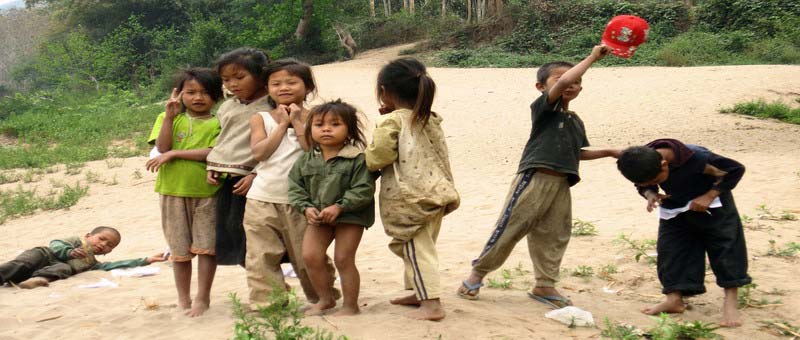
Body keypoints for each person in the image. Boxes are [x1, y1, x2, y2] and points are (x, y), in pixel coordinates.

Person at [457, 45, 616, 309]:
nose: (571, 84)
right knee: (511, 228)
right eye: (563, 80)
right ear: (541, 87)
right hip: (535, 179)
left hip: (562, 183)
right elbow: (564, 80)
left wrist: (611, 151)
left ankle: (544, 285)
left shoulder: (574, 120)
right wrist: (592, 57)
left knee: (554, 235)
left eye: (577, 81)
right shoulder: (545, 109)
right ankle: (477, 275)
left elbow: (576, 153)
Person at [616, 139, 750, 327]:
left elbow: (735, 170)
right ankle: (674, 299)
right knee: (671, 250)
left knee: (725, 248)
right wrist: (650, 193)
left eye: (655, 181)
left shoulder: (699, 158)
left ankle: (730, 302)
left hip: (714, 206)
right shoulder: (641, 161)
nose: (654, 183)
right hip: (675, 207)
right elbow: (643, 183)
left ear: (664, 164)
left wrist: (709, 195)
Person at [365, 57, 460, 321]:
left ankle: (432, 304)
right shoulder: (430, 118)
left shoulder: (391, 122)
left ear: (384, 92)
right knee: (422, 246)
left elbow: (379, 156)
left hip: (410, 197)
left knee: (416, 249)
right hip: (438, 193)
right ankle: (418, 292)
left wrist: (366, 156)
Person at [243, 58, 337, 309]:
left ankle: (322, 297)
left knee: (306, 255)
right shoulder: (260, 118)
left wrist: (296, 122)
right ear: (267, 88)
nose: (283, 88)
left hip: (302, 200)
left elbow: (313, 151)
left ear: (307, 87)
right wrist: (282, 124)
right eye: (276, 83)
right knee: (261, 255)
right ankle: (268, 303)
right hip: (262, 197)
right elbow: (260, 153)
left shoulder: (318, 117)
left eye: (291, 82)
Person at [146, 68, 223, 317]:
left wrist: (175, 154)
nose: (198, 98)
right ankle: (183, 299)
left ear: (217, 96)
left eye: (205, 93)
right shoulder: (167, 117)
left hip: (208, 193)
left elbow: (214, 151)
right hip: (172, 191)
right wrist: (169, 118)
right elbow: (162, 146)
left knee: (207, 248)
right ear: (179, 94)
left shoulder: (219, 122)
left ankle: (203, 298)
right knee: (179, 250)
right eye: (190, 92)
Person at [289, 100, 375, 316]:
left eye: (335, 124)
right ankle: (326, 299)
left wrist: (340, 206)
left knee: (343, 259)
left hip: (351, 216)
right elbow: (295, 187)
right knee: (310, 256)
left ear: (349, 130)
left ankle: (350, 306)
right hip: (319, 217)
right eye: (319, 124)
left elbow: (363, 189)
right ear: (311, 130)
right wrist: (306, 208)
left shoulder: (357, 158)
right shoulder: (306, 160)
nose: (326, 129)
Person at [207, 48, 274, 266]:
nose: (232, 84)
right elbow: (225, 140)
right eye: (226, 80)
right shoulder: (227, 107)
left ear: (261, 75)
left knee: (259, 238)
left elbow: (282, 146)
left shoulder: (272, 106)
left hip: (260, 179)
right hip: (231, 181)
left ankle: (273, 288)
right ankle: (270, 288)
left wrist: (256, 174)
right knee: (235, 233)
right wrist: (216, 165)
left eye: (239, 77)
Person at [0, 226, 165, 289]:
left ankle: (37, 280)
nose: (103, 244)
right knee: (22, 263)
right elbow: (55, 243)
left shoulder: (91, 264)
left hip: (46, 270)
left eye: (109, 245)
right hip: (43, 256)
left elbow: (114, 265)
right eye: (101, 239)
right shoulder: (75, 241)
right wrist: (69, 252)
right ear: (88, 235)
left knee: (65, 268)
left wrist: (145, 260)